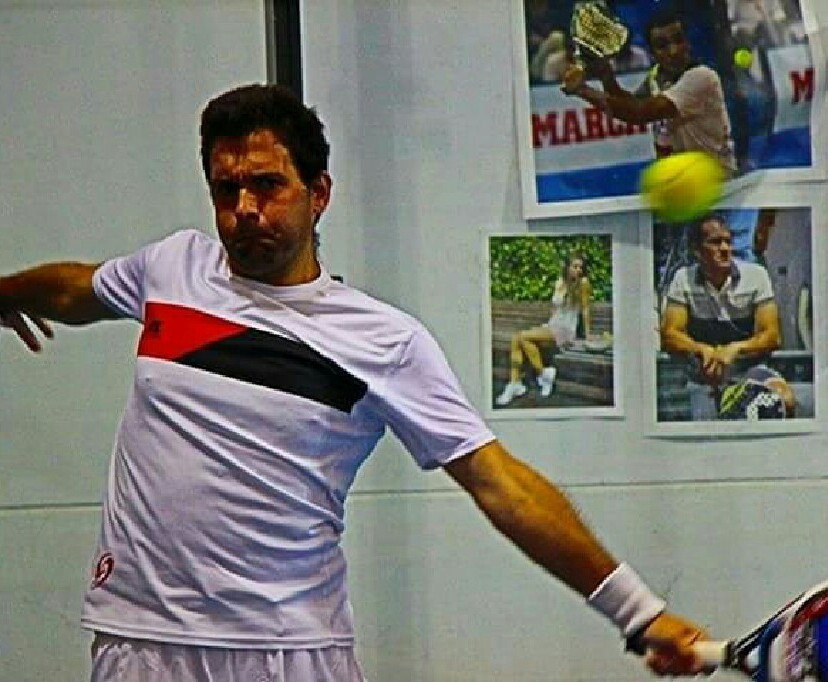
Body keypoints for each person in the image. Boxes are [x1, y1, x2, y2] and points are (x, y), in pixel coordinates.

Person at [0, 83, 707, 681]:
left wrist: (638, 612)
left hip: (287, 652)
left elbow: (502, 485)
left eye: (268, 185)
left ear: (319, 193)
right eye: (226, 188)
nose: (244, 208)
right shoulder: (172, 269)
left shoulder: (383, 340)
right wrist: (4, 292)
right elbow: (75, 290)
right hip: (136, 641)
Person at [562, 7, 738, 175]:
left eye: (678, 40)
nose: (673, 51)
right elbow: (630, 104)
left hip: (717, 181)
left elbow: (640, 113)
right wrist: (606, 75)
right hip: (680, 179)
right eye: (662, 45)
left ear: (688, 43)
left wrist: (583, 90)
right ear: (652, 53)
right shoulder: (656, 76)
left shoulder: (701, 77)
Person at [660, 212, 794, 420]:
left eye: (728, 242)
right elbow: (669, 334)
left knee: (785, 399)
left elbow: (772, 336)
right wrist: (701, 349)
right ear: (697, 250)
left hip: (748, 371)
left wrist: (735, 349)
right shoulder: (682, 279)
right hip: (700, 375)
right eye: (715, 242)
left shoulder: (756, 275)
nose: (724, 248)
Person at [496, 253, 593, 406]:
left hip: (566, 330)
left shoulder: (583, 283)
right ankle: (519, 382)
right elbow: (554, 309)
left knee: (522, 337)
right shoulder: (560, 282)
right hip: (553, 327)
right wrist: (548, 326)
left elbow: (586, 309)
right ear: (567, 267)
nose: (578, 270)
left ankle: (537, 376)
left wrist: (588, 335)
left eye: (580, 267)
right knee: (517, 338)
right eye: (575, 266)